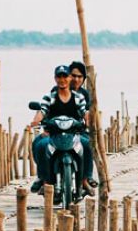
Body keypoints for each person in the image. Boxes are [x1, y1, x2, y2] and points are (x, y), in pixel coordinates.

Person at [28, 64, 93, 196]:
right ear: (55, 78)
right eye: (59, 77)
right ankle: (44, 178)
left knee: (87, 145)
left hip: (74, 133)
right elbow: (43, 111)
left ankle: (84, 179)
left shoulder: (78, 97)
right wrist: (35, 121)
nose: (62, 80)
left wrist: (88, 120)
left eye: (65, 76)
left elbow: (84, 111)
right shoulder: (50, 96)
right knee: (39, 145)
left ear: (69, 79)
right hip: (53, 133)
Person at [68, 61, 96, 188]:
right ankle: (46, 179)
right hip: (59, 129)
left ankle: (86, 177)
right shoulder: (59, 89)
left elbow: (88, 112)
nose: (76, 79)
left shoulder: (84, 94)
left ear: (84, 79)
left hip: (77, 130)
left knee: (87, 144)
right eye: (74, 75)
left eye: (80, 76)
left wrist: (90, 122)